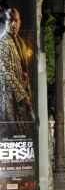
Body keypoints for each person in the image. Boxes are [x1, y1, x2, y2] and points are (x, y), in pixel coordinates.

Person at [0, 9, 33, 138]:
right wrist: (24, 95)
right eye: (10, 20)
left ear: (19, 22)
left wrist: (28, 93)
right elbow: (5, 72)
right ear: (6, 21)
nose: (13, 24)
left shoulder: (21, 42)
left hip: (22, 98)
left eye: (16, 20)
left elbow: (25, 72)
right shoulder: (2, 43)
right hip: (9, 98)